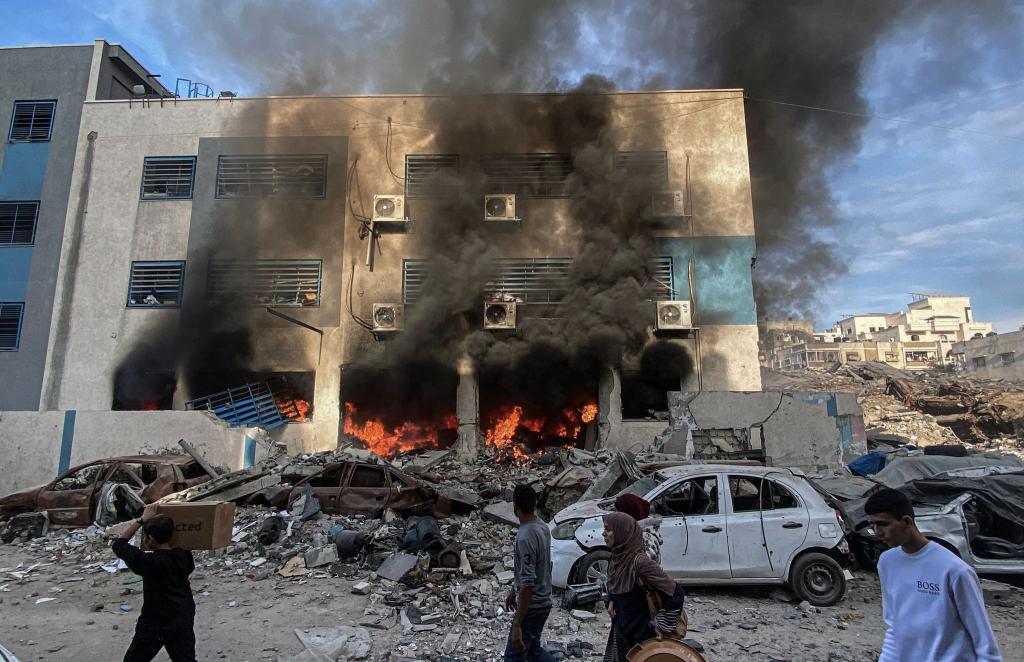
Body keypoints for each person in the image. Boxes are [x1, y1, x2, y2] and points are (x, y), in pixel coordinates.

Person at [866, 488, 1001, 662]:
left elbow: (984, 643)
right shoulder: (887, 562)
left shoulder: (954, 570)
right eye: (873, 525)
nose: (877, 532)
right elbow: (895, 626)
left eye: (883, 524)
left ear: (907, 521)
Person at [111, 504, 197, 662]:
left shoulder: (147, 562)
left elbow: (118, 544)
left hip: (155, 620)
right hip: (181, 616)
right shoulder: (184, 557)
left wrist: (141, 520)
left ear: (150, 539)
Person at [602, 511, 685, 662]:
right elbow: (616, 589)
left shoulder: (640, 562)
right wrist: (612, 601)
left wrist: (660, 626)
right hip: (621, 634)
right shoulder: (615, 559)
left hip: (643, 637)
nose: (603, 534)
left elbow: (676, 593)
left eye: (608, 529)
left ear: (622, 531)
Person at [504, 484, 554, 662]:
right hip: (544, 600)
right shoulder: (542, 526)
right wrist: (513, 589)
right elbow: (533, 567)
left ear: (515, 506)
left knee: (514, 656)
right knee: (532, 651)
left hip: (533, 606)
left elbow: (528, 584)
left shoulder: (525, 536)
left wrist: (517, 624)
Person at [614, 493, 663, 563]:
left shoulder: (645, 536)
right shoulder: (634, 532)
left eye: (619, 512)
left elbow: (643, 565)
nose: (617, 515)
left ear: (629, 514)